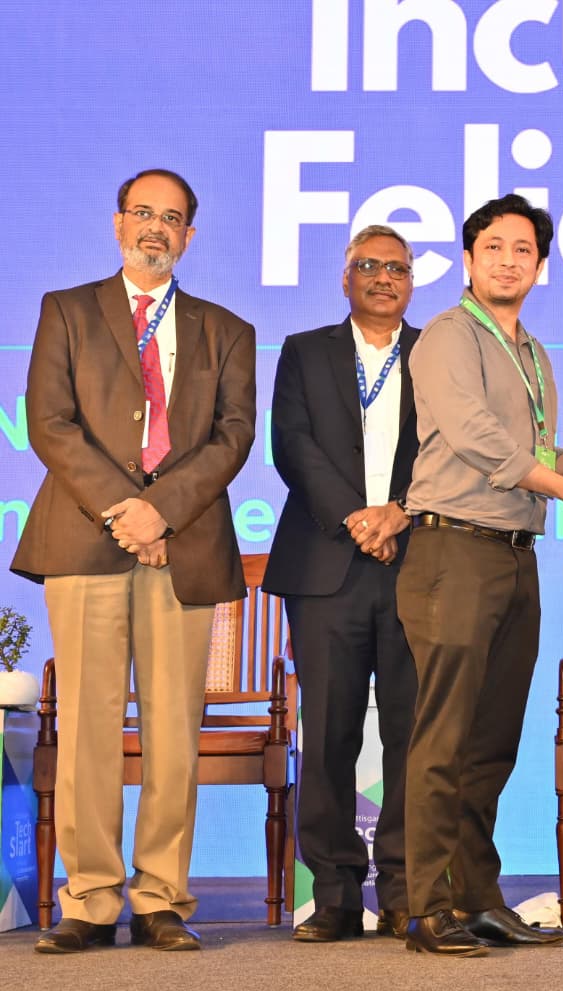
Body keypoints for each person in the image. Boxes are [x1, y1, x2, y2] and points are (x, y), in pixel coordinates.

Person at [13, 169, 256, 953]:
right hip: (85, 541)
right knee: (86, 726)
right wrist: (127, 510)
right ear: (118, 224)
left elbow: (233, 436)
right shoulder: (67, 310)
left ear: (190, 235)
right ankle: (89, 897)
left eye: (172, 217)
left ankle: (161, 899)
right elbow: (50, 423)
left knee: (173, 731)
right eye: (143, 213)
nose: (157, 227)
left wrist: (163, 511)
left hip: (183, 545)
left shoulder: (228, 329)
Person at [396, 193, 563, 956]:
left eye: (522, 250)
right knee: (443, 737)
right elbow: (475, 438)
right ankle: (427, 906)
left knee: (491, 742)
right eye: (493, 247)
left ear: (540, 265)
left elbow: (522, 451)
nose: (507, 260)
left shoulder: (531, 350)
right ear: (468, 259)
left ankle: (477, 896)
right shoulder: (447, 335)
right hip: (454, 551)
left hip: (514, 554)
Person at [264, 225, 421, 943]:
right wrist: (359, 519)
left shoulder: (436, 351)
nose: (384, 278)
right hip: (326, 562)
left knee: (412, 733)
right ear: (345, 277)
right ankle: (332, 894)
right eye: (369, 265)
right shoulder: (305, 351)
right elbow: (292, 445)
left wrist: (398, 514)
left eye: (397, 268)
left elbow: (449, 449)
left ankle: (405, 889)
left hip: (416, 563)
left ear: (411, 281)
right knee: (327, 733)